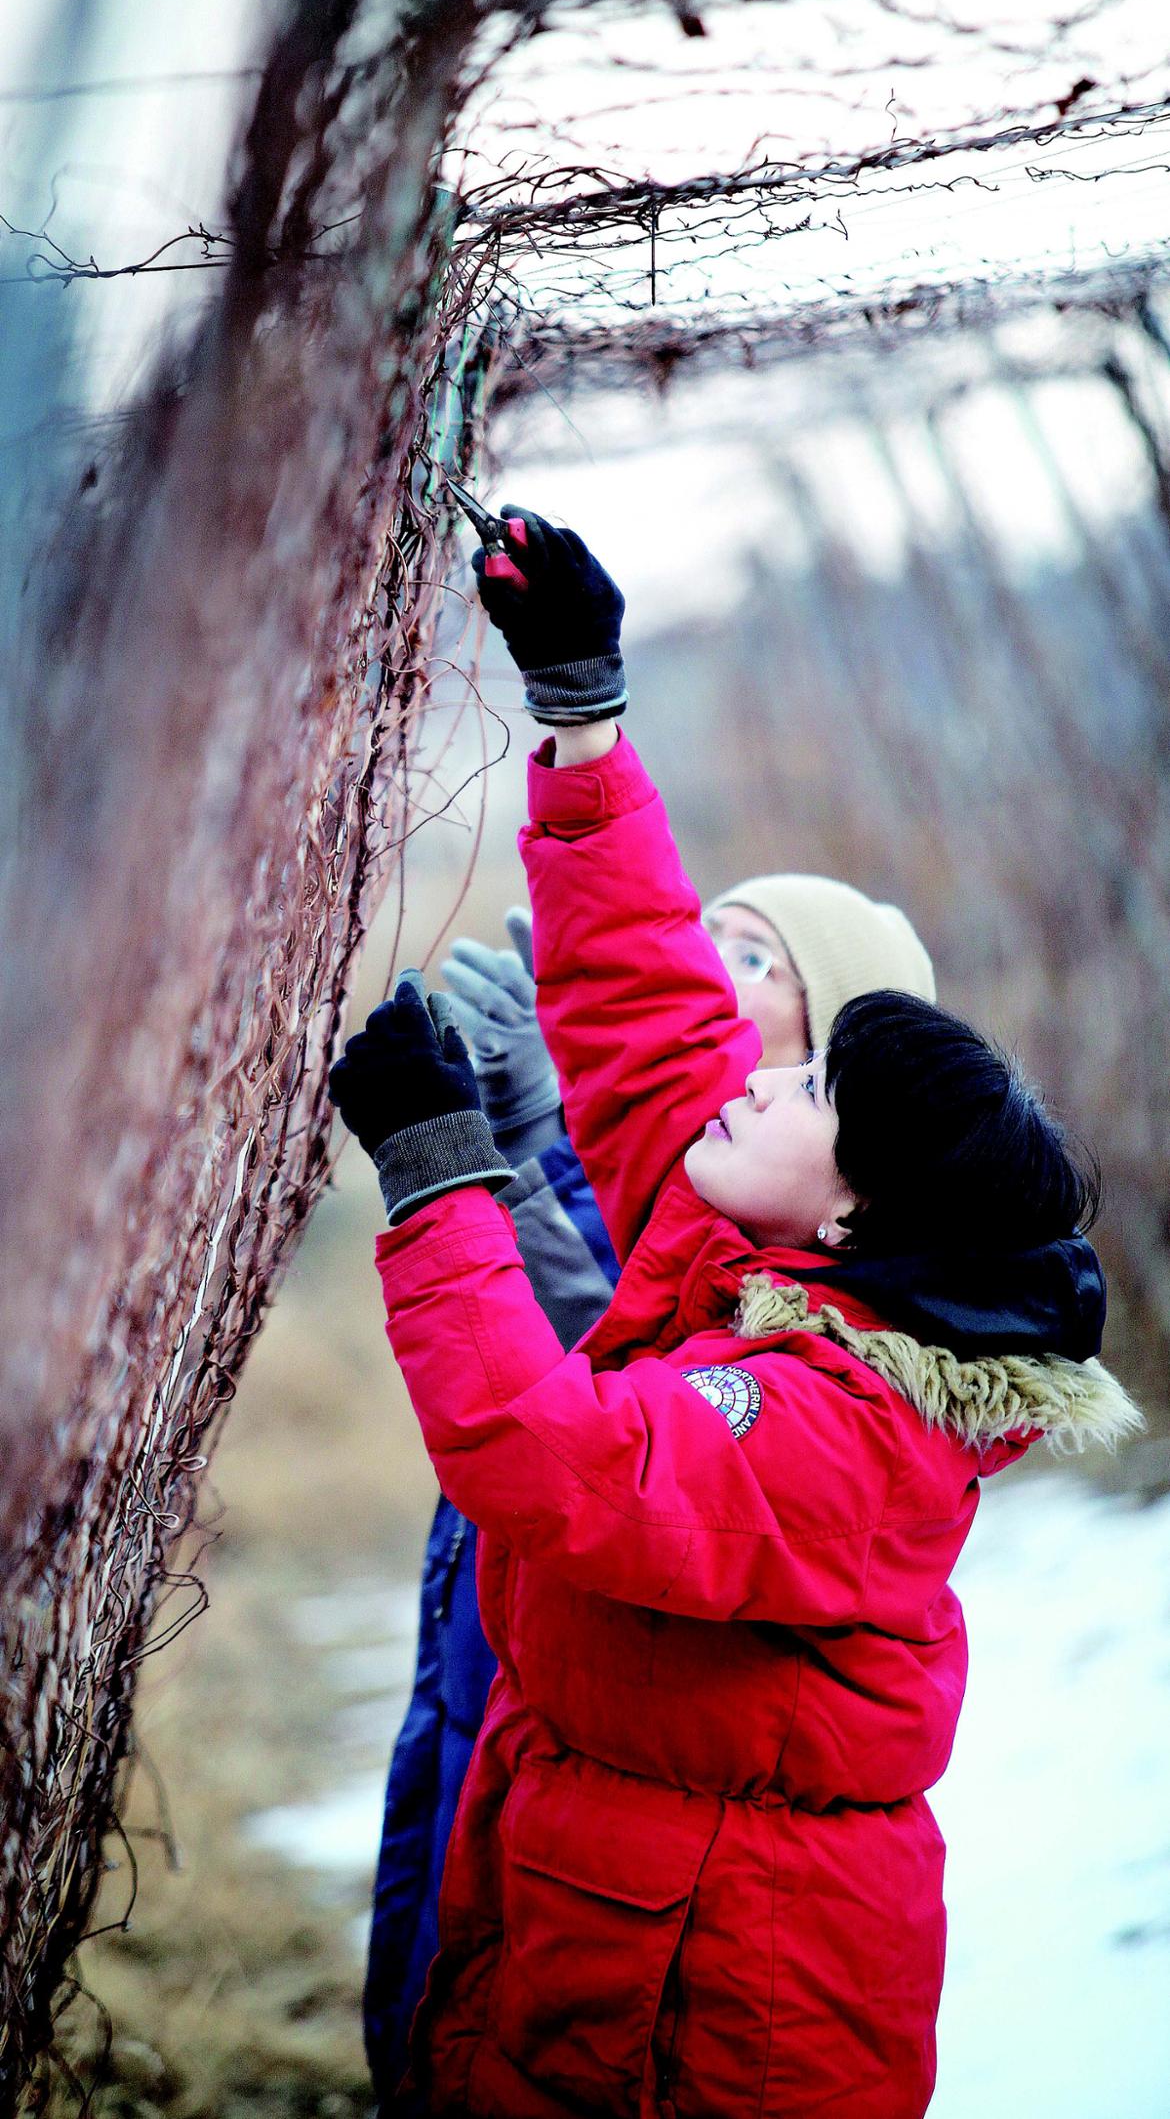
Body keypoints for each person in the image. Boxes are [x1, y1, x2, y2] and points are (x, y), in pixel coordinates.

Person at [331, 507, 1141, 2119]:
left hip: (723, 2011)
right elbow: (649, 1016)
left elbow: (556, 1459)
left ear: (851, 1213)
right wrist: (581, 713)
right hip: (620, 1915)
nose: (759, 1075)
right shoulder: (766, 1252)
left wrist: (439, 1175)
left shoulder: (839, 1429)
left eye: (804, 1086)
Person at [365, 889, 936, 2110]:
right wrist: (540, 1126)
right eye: (703, 933)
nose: (706, 970)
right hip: (538, 1679)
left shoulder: (833, 1364)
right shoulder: (729, 1181)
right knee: (445, 1925)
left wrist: (487, 1157)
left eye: (754, 958)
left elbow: (601, 1421)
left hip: (658, 1848)